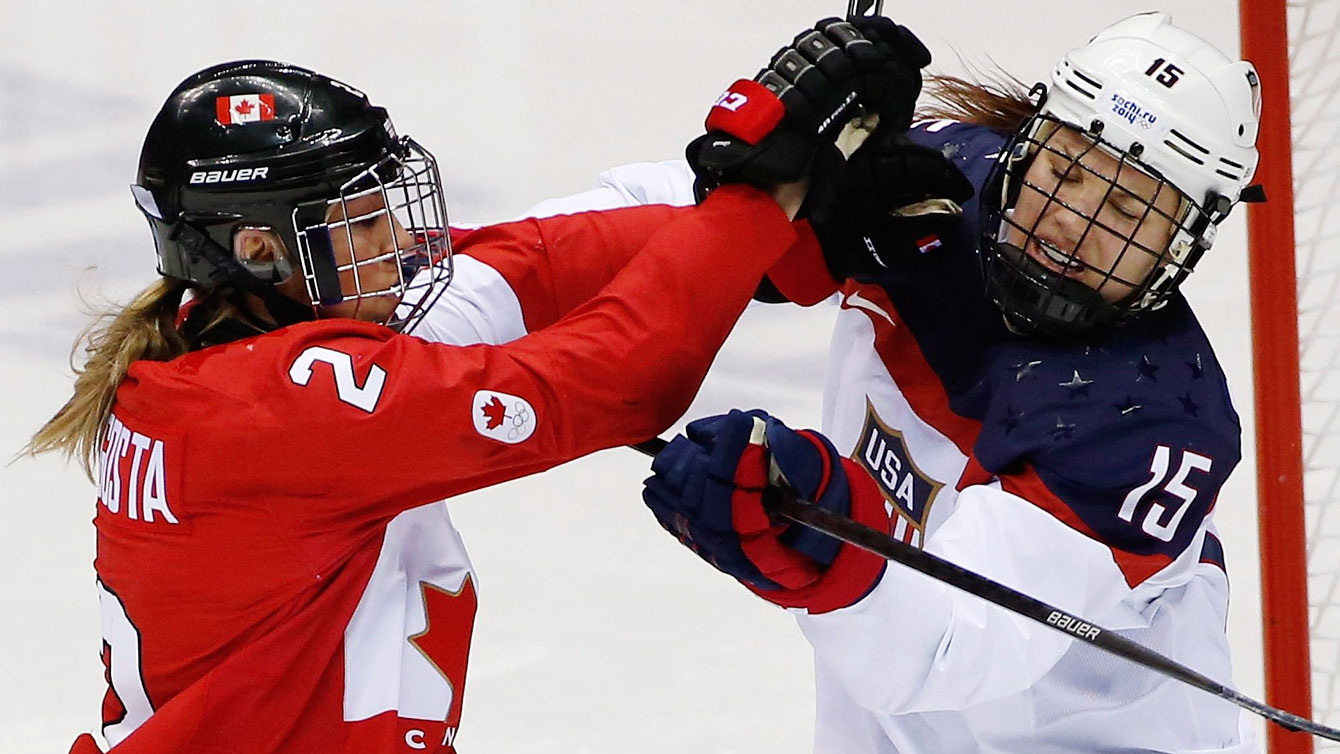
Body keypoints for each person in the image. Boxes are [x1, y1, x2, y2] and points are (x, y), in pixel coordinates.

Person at [26, 27, 925, 753]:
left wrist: (782, 234)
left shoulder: (234, 344)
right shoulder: (279, 407)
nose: (399, 236)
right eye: (359, 219)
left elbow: (518, 266)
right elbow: (613, 382)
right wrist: (755, 206)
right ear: (260, 247)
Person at [579, 11, 1260, 753]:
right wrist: (751, 190)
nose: (1071, 221)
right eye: (1065, 170)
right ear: (1030, 143)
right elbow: (643, 219)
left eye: (1128, 209)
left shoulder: (1153, 422)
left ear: (1184, 244)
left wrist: (824, 523)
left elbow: (944, 647)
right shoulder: (933, 189)